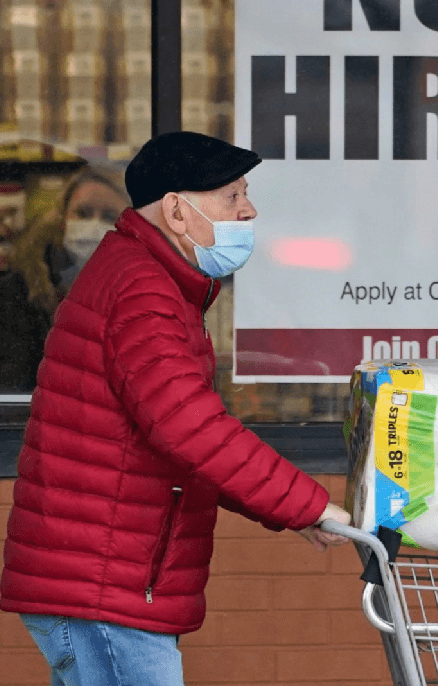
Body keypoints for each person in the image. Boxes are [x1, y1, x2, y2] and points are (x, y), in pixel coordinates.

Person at [1, 131, 352, 686]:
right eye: (232, 196)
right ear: (176, 211)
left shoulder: (148, 280)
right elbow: (192, 428)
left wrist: (293, 512)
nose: (249, 210)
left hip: (103, 582)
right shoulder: (143, 292)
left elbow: (181, 443)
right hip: (104, 589)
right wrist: (307, 503)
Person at [0, 164, 132, 392]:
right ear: (63, 219)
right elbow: (14, 388)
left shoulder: (149, 294)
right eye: (83, 213)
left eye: (109, 217)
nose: (93, 225)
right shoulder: (17, 293)